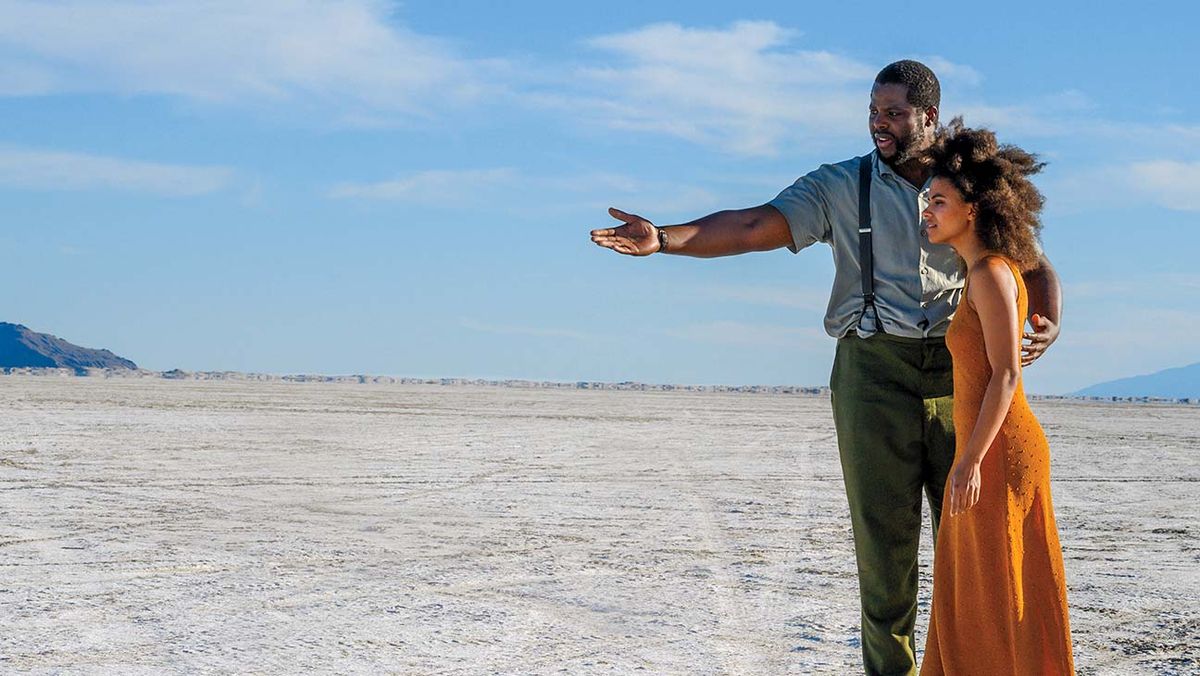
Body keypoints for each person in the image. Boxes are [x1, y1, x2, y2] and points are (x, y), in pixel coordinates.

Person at [589, 60, 1063, 676]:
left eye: (893, 113)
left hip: (960, 377)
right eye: (872, 111)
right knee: (884, 556)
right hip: (871, 373)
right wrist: (666, 237)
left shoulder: (969, 185)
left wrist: (1047, 313)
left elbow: (1032, 260)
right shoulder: (840, 185)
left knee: (968, 551)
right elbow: (755, 224)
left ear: (929, 117)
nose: (878, 124)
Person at [918, 120, 1074, 674]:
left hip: (1000, 452)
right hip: (989, 448)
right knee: (977, 591)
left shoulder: (988, 273)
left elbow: (1006, 374)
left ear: (974, 209)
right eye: (926, 200)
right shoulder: (981, 271)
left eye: (939, 200)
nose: (927, 211)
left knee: (995, 592)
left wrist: (969, 459)